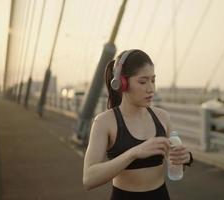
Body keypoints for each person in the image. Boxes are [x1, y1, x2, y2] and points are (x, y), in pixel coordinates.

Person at [83, 49, 193, 199]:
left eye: (153, 80)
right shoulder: (104, 122)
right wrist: (134, 153)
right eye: (142, 81)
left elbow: (174, 163)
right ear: (122, 83)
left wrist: (185, 158)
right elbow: (89, 179)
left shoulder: (162, 117)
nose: (151, 89)